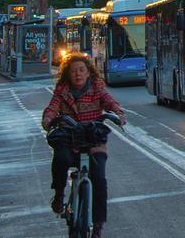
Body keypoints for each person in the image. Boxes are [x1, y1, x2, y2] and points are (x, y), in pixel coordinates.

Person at [42, 54, 125, 238]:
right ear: (67, 75)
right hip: (69, 138)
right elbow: (53, 107)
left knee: (99, 180)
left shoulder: (97, 87)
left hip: (93, 138)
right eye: (73, 71)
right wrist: (48, 119)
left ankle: (97, 225)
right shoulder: (62, 90)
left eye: (81, 70)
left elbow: (108, 100)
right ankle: (58, 195)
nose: (78, 74)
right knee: (61, 159)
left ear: (88, 72)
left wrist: (118, 112)